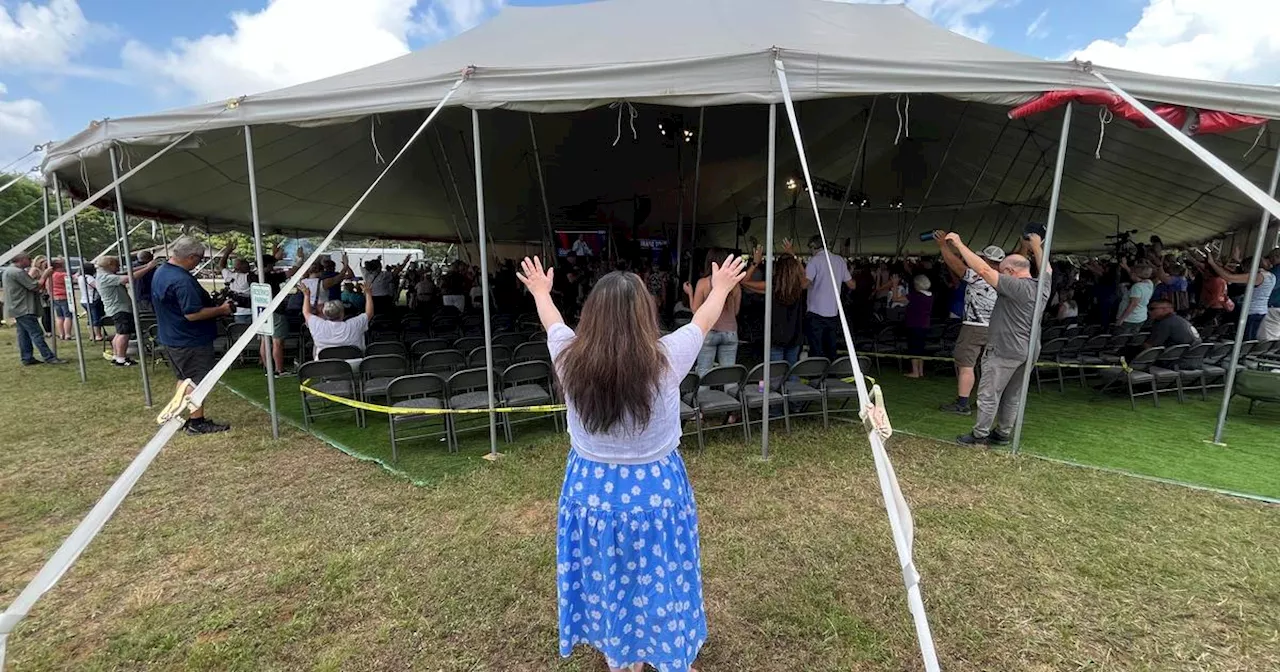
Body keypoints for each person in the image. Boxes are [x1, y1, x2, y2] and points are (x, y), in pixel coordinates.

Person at [516, 252, 747, 672]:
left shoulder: (568, 357)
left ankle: (621, 657)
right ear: (646, 313)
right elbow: (704, 321)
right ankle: (658, 652)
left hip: (591, 493)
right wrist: (722, 288)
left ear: (591, 315)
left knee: (608, 578)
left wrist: (539, 291)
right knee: (660, 577)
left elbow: (553, 323)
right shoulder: (667, 357)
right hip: (656, 492)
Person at [944, 232, 1050, 446]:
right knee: (1013, 394)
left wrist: (959, 244)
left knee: (989, 393)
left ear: (1011, 272)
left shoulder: (1015, 286)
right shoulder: (1043, 285)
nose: (1000, 276)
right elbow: (1047, 268)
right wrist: (1037, 247)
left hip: (1005, 348)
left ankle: (979, 434)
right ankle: (1003, 433)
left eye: (1003, 272)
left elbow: (983, 270)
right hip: (1029, 349)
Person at [152, 236, 234, 434]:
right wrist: (222, 310)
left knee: (184, 378)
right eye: (199, 259)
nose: (199, 262)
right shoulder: (181, 280)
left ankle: (177, 415)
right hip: (189, 339)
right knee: (198, 380)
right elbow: (192, 314)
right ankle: (197, 423)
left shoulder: (162, 271)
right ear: (191, 257)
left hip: (172, 336)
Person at [935, 236, 1003, 414]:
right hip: (997, 327)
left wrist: (943, 246)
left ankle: (962, 403)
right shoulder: (1005, 279)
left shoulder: (979, 277)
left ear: (986, 260)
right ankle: (986, 402)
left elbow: (956, 265)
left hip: (975, 326)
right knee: (990, 366)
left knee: (966, 365)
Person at [741, 240, 807, 374]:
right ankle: (792, 393)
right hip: (795, 335)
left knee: (775, 374)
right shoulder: (800, 286)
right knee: (791, 373)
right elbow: (805, 275)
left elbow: (744, 281)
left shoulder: (772, 286)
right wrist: (793, 256)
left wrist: (755, 263)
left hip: (775, 336)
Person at [684, 247, 741, 378]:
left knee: (703, 373)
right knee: (729, 375)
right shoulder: (735, 285)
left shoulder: (703, 283)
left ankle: (703, 398)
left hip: (709, 331)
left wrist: (690, 293)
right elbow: (736, 311)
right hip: (730, 332)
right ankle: (730, 398)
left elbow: (695, 311)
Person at [2, 254, 66, 365]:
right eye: (28, 259)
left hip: (17, 307)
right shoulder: (17, 272)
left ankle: (27, 358)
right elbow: (35, 286)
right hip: (24, 307)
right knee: (36, 333)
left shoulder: (9, 271)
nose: (31, 261)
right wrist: (45, 275)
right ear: (21, 260)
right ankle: (49, 357)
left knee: (23, 334)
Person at [96, 254, 157, 367]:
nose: (119, 267)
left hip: (116, 308)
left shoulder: (106, 274)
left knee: (119, 334)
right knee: (124, 334)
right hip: (119, 309)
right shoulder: (106, 277)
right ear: (110, 265)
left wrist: (146, 265)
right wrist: (148, 268)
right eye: (117, 265)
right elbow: (129, 278)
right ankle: (121, 359)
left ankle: (117, 355)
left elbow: (126, 271)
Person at [1201, 251, 1275, 341]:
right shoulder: (1271, 276)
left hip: (1250, 312)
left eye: (1245, 269)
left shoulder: (1257, 277)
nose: (1244, 272)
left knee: (1245, 340)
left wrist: (1212, 263)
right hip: (1262, 311)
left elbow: (1229, 277)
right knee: (1251, 338)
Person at [804, 235, 855, 360]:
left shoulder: (814, 261)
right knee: (831, 347)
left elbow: (805, 284)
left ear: (813, 246)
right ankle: (831, 374)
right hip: (833, 311)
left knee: (816, 348)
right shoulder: (839, 260)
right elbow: (852, 285)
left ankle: (816, 375)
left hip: (816, 311)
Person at [302, 278, 373, 358]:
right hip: (354, 364)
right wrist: (368, 294)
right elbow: (369, 313)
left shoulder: (318, 325)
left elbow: (306, 312)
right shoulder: (354, 324)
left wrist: (306, 295)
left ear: (325, 313)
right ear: (342, 313)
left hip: (325, 366)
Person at [215, 239, 254, 324]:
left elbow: (221, 265)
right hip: (251, 310)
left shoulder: (229, 276)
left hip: (238, 311)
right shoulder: (249, 277)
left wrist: (227, 252)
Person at [904, 275, 933, 379]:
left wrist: (894, 284)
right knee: (921, 348)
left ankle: (915, 372)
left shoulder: (915, 296)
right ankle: (920, 371)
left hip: (914, 324)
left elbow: (896, 299)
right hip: (925, 324)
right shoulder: (930, 296)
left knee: (914, 348)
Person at [1115, 260, 1155, 334]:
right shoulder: (1149, 283)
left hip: (1130, 319)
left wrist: (1122, 319)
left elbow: (1133, 304)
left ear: (1134, 274)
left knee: (1120, 339)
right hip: (1141, 317)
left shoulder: (1137, 287)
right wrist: (1126, 266)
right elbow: (1138, 276)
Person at [77, 262, 106, 341]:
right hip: (92, 300)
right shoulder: (89, 278)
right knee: (96, 318)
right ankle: (98, 335)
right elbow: (97, 286)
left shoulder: (80, 277)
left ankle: (92, 335)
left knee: (90, 319)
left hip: (84, 300)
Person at [47, 258, 74, 340]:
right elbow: (72, 279)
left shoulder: (50, 276)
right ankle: (67, 334)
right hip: (65, 297)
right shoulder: (63, 275)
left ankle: (61, 334)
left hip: (55, 297)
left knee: (59, 316)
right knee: (68, 316)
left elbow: (47, 286)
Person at [1260, 248, 1280, 341]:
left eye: (1271, 258)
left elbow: (1269, 285)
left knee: (1267, 337)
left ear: (1276, 257)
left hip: (1273, 306)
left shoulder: (1276, 271)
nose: (1270, 260)